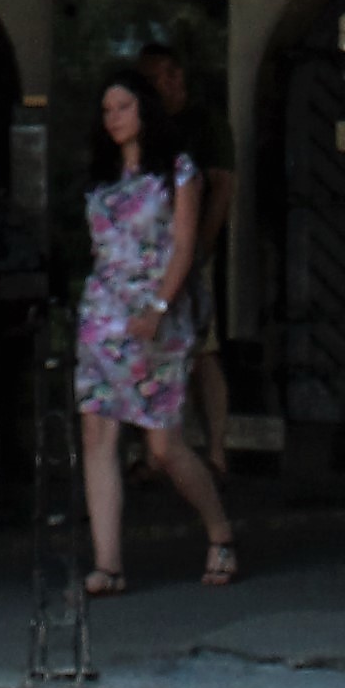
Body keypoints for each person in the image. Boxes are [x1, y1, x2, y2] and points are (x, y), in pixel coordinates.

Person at [75, 69, 237, 590]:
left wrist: (161, 306)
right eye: (106, 110)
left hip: (156, 315)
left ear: (144, 110)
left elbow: (185, 245)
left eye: (122, 107)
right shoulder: (103, 177)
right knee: (98, 433)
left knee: (163, 447)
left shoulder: (177, 170)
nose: (114, 118)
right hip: (104, 315)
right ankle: (108, 564)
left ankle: (219, 531)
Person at [137, 36, 237, 471]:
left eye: (155, 77)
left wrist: (202, 246)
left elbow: (222, 186)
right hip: (154, 252)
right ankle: (154, 450)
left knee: (202, 348)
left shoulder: (205, 124)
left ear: (174, 77)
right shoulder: (148, 127)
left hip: (192, 250)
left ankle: (215, 449)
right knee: (153, 348)